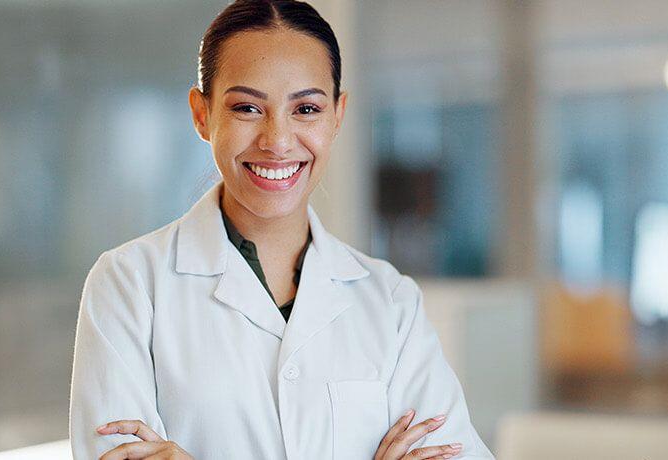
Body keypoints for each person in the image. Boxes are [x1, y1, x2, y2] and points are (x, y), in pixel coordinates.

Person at [68, 1, 493, 458]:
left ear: (337, 116)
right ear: (201, 114)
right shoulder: (129, 285)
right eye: (248, 107)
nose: (277, 141)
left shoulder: (390, 301)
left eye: (306, 108)